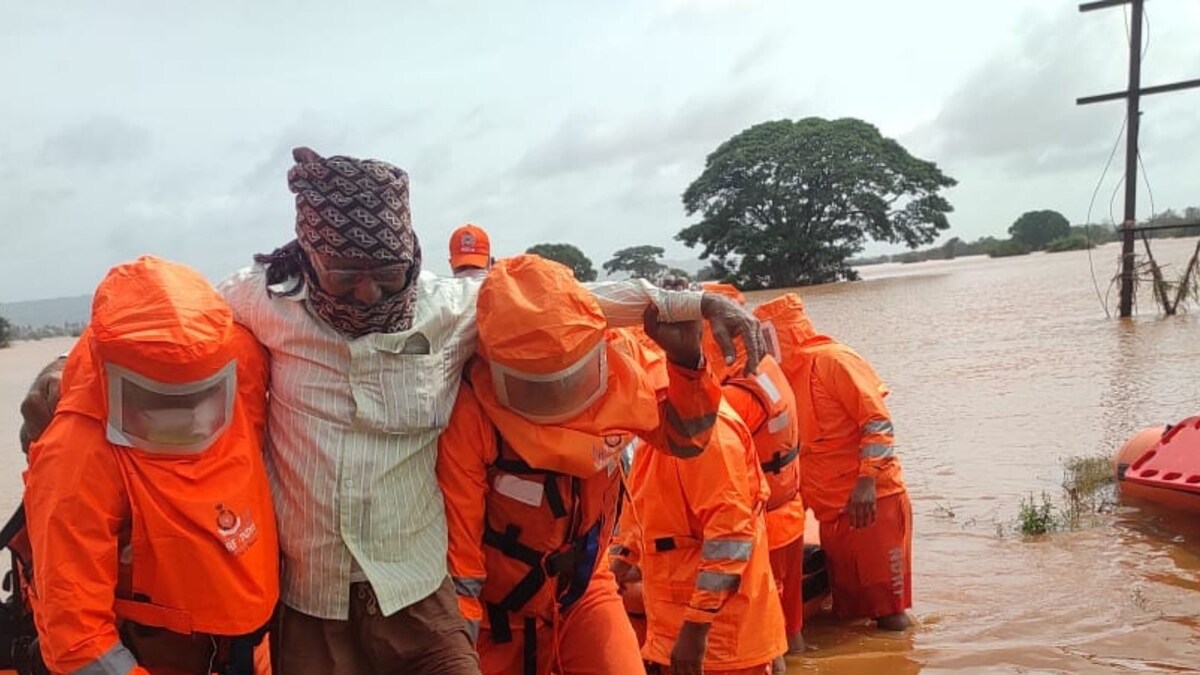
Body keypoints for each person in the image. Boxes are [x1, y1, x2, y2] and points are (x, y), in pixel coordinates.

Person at [18, 148, 766, 674]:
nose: (372, 294)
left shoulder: (450, 308)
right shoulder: (258, 303)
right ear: (308, 259)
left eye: (388, 274)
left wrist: (685, 302)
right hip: (309, 605)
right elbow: (160, 327)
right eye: (349, 276)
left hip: (420, 589)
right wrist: (71, 375)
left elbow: (567, 305)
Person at [438, 255, 723, 675]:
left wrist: (687, 364)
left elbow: (686, 440)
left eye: (569, 379)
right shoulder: (470, 410)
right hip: (498, 614)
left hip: (585, 590)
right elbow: (461, 557)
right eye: (541, 387)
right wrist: (456, 645)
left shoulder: (624, 360)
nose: (558, 398)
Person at [23, 255, 278, 674]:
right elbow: (77, 637)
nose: (189, 419)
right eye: (162, 401)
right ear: (113, 375)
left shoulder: (242, 360)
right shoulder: (76, 453)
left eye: (200, 395)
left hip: (249, 644)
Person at [611, 349, 787, 675]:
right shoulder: (657, 436)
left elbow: (731, 537)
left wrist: (696, 627)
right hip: (673, 624)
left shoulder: (710, 440)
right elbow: (642, 513)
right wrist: (618, 564)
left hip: (720, 640)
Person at [753, 293, 912, 631]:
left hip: (871, 502)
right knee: (849, 612)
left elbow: (877, 422)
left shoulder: (833, 361)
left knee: (889, 613)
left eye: (766, 336)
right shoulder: (778, 381)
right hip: (829, 511)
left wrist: (867, 481)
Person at [701, 332, 807, 654]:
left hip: (763, 529)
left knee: (767, 637)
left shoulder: (735, 396)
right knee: (792, 628)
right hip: (789, 511)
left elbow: (710, 464)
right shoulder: (768, 369)